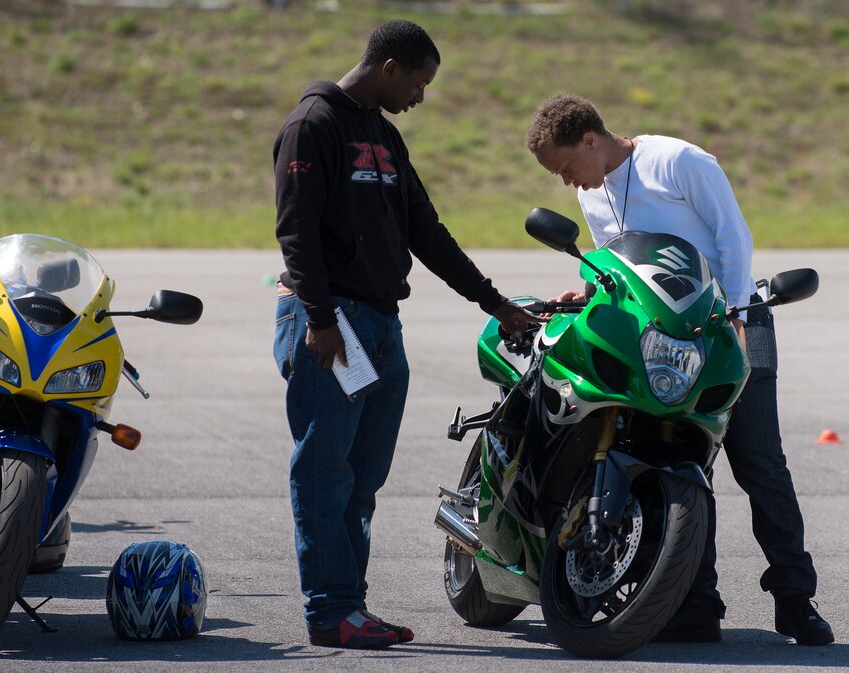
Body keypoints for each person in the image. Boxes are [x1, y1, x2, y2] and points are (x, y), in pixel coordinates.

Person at [523, 94, 834, 646]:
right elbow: (616, 264)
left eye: (567, 168)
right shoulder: (596, 195)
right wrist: (590, 288)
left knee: (760, 463)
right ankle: (694, 603)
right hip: (659, 336)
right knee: (679, 460)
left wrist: (737, 317)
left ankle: (795, 599)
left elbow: (733, 236)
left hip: (734, 320)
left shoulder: (678, 161)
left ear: (590, 141)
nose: (569, 184)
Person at [272, 20, 538, 650]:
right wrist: (318, 319)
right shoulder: (312, 126)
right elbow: (296, 233)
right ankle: (329, 610)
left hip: (381, 325)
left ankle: (350, 608)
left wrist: (493, 302)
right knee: (323, 472)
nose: (420, 96)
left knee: (363, 478)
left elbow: (427, 231)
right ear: (390, 66)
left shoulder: (384, 136)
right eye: (419, 82)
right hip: (332, 323)